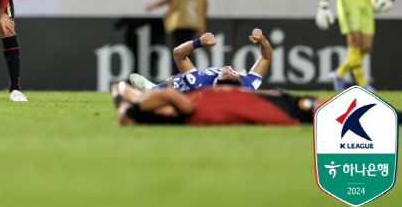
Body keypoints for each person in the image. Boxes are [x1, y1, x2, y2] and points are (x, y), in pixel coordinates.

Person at [112, 81, 329, 126]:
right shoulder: (185, 110)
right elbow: (168, 94)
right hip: (272, 108)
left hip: (264, 99)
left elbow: (120, 86)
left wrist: (125, 102)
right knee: (319, 108)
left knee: (314, 102)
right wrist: (130, 110)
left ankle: (360, 100)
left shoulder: (179, 105)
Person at [130, 29, 271, 93]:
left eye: (226, 73)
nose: (228, 68)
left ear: (218, 81)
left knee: (176, 83)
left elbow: (178, 54)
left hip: (184, 91)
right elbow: (266, 57)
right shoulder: (248, 85)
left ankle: (151, 89)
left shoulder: (199, 83)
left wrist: (199, 42)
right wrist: (262, 41)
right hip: (226, 92)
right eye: (234, 74)